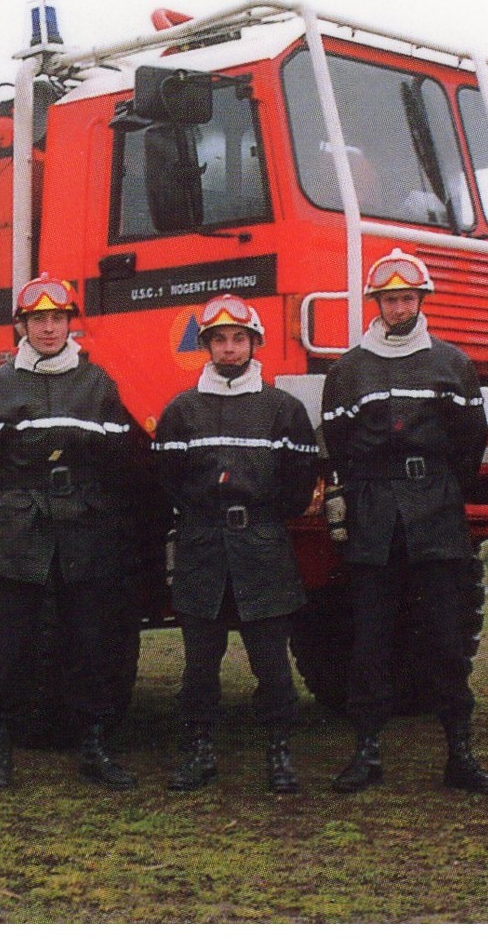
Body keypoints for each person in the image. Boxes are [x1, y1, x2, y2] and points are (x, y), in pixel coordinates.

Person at [320, 249, 488, 794]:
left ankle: (460, 755)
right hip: (374, 512)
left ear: (421, 301)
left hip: (436, 509)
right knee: (370, 637)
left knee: (446, 637)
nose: (398, 308)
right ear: (376, 304)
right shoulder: (349, 368)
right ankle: (366, 753)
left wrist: (440, 487)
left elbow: (471, 441)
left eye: (407, 298)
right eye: (389, 299)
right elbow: (339, 444)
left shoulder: (452, 362)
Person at [0, 273, 139, 791]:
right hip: (21, 525)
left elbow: (118, 460)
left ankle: (95, 748)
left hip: (83, 527)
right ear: (23, 325)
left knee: (91, 642)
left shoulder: (98, 384)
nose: (47, 328)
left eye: (56, 319)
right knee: (11, 645)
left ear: (69, 324)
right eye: (37, 319)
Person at [152, 294, 319, 794]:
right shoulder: (181, 410)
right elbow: (168, 479)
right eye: (219, 339)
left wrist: (264, 517)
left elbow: (298, 480)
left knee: (271, 659)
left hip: (263, 543)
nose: (229, 348)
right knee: (200, 660)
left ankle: (279, 754)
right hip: (203, 543)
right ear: (206, 346)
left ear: (253, 343)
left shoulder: (283, 409)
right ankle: (198, 753)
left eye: (238, 339)